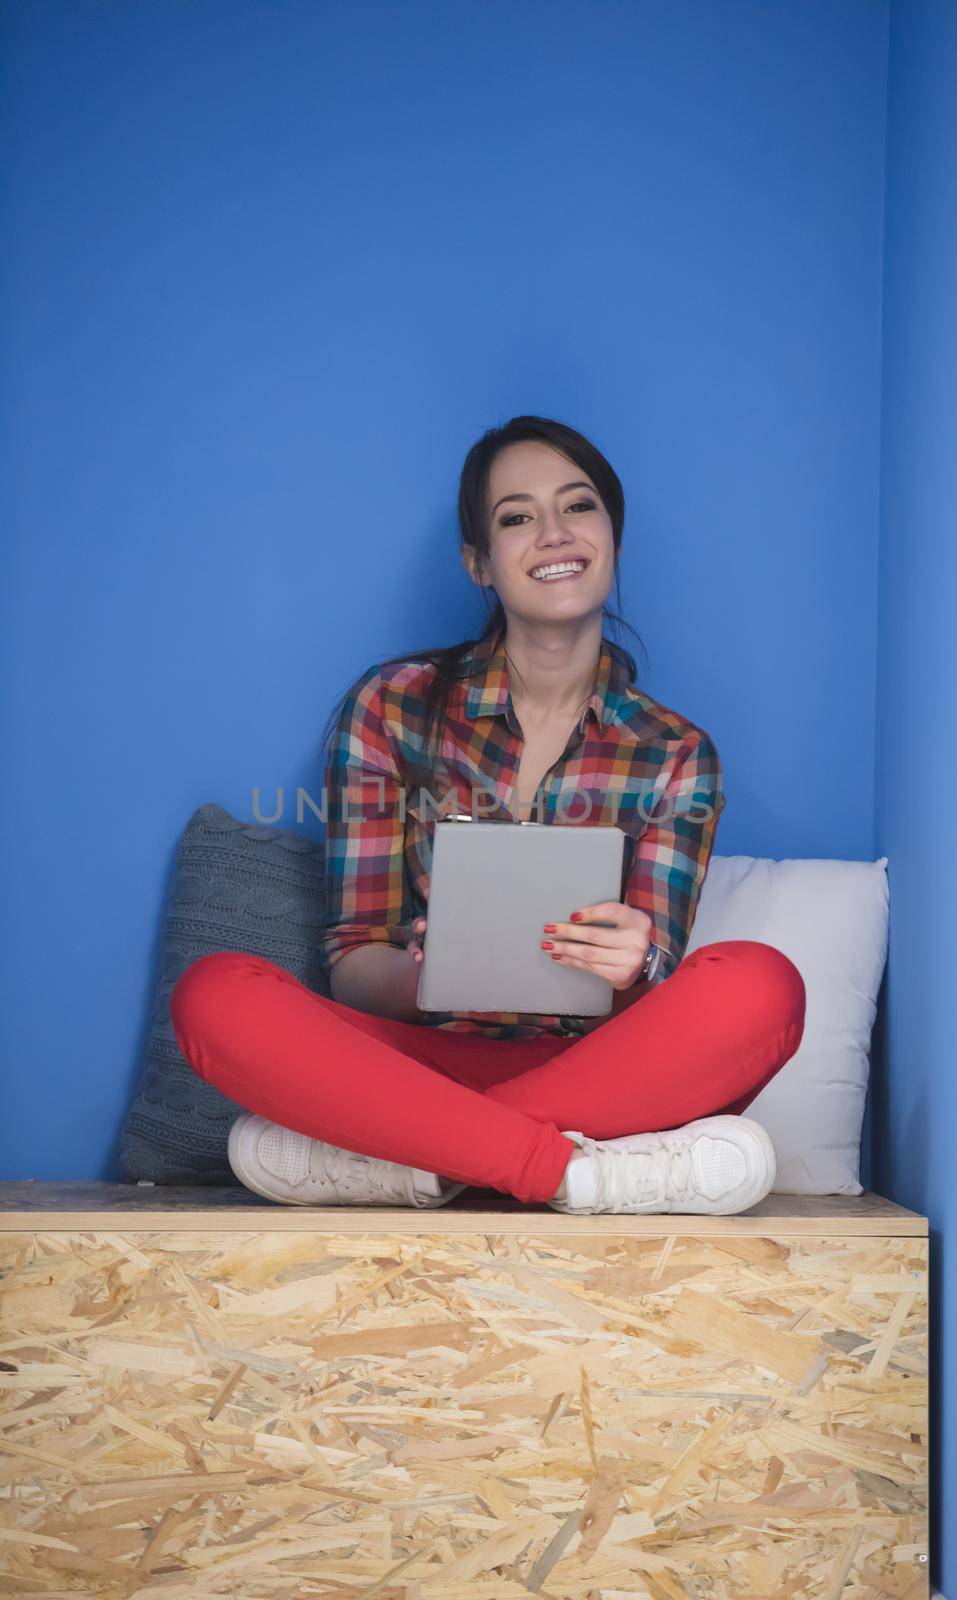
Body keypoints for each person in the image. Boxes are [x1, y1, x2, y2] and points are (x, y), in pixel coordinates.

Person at [170, 415, 806, 1215]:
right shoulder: (391, 707)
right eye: (515, 517)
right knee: (215, 994)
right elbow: (355, 963)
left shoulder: (677, 753)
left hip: (595, 1074)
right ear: (478, 562)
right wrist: (421, 972)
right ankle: (566, 1173)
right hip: (414, 1066)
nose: (552, 533)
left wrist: (633, 969)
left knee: (763, 984)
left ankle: (417, 1159)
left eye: (577, 507)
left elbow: (659, 994)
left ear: (611, 534)